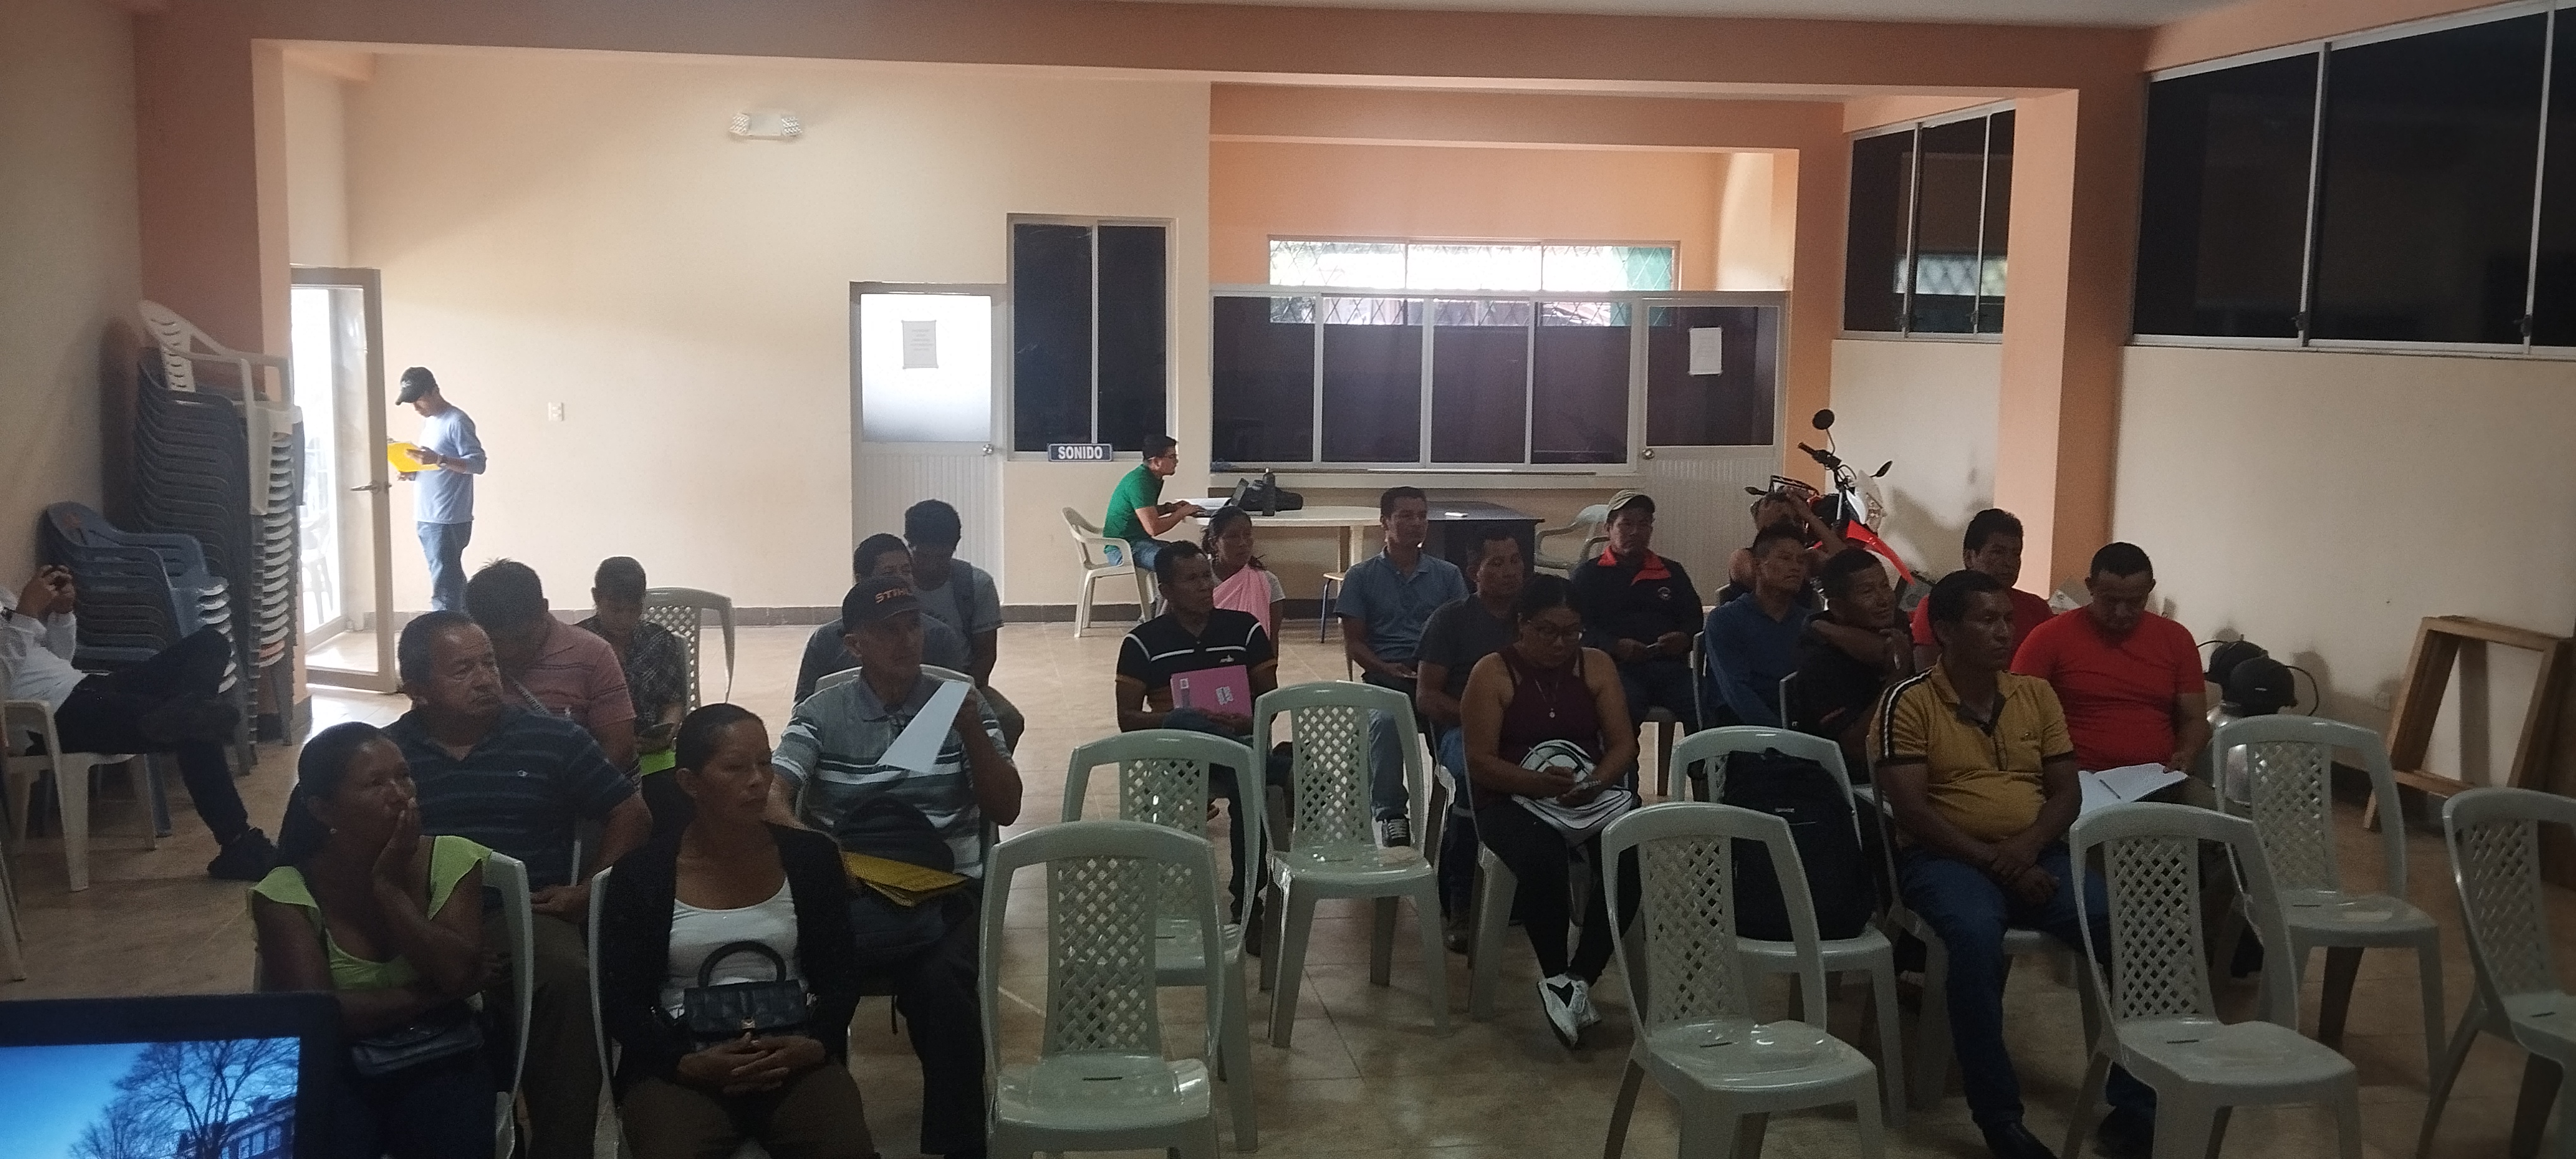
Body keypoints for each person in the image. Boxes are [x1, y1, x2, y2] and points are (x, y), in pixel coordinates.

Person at [1872, 570, 2154, 1159]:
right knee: (1975, 937)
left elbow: (2066, 793)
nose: (2005, 631)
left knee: (2131, 932)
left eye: (2007, 619)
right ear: (1945, 630)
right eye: (1987, 620)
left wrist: (2025, 850)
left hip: (2034, 852)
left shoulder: (2035, 696)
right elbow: (1913, 811)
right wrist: (1999, 862)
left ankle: (2136, 1106)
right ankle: (1999, 1117)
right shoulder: (1910, 701)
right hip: (1944, 858)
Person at [768, 576, 1022, 1159]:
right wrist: (822, 854)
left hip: (944, 889)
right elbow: (772, 800)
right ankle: (822, 1133)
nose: (907, 641)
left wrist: (971, 732)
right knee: (810, 984)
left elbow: (1006, 807)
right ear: (854, 644)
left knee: (944, 984)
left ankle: (960, 1145)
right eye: (888, 631)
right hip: (851, 888)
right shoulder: (823, 711)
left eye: (913, 627)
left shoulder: (959, 703)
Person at [384, 610, 653, 1159]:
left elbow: (632, 813)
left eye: (488, 663)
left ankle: (563, 1147)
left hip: (520, 914)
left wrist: (586, 889)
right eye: (463, 670)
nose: (485, 678)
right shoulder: (384, 757)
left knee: (567, 975)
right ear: (417, 689)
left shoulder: (552, 740)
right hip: (409, 914)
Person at [595, 705, 877, 1159]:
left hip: (792, 1054)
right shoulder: (643, 875)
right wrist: (684, 1062)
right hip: (683, 1063)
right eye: (735, 768)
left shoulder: (810, 859)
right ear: (690, 783)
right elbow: (620, 999)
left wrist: (813, 1045)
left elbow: (842, 974)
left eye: (765, 763)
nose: (758, 781)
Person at [252, 722, 496, 1159]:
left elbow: (456, 970)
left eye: (404, 776)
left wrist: (388, 889)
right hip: (338, 1066)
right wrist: (435, 995)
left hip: (440, 1054)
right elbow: (317, 1017)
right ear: (322, 810)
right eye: (375, 783)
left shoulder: (453, 857)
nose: (400, 795)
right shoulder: (286, 891)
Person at [1458, 574, 1640, 1050]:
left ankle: (1579, 979)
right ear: (1522, 624)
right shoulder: (1493, 672)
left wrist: (1596, 782)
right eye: (1547, 631)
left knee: (1633, 850)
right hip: (1509, 796)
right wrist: (1537, 784)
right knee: (1544, 856)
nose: (1561, 643)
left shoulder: (1595, 665)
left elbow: (1623, 745)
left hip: (1584, 792)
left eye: (1572, 632)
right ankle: (1555, 970)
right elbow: (1480, 761)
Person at [1, 565, 274, 879]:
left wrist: (62, 615)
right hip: (54, 716)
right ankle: (237, 842)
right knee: (194, 724)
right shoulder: (17, 608)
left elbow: (58, 660)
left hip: (90, 685)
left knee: (210, 643)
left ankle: (186, 709)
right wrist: (26, 613)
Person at [1112, 540, 1281, 911]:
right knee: (1187, 720)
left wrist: (1248, 718)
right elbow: (1127, 719)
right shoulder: (1143, 642)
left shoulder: (1244, 629)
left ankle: (1248, 896)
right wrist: (1177, 719)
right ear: (1167, 591)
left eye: (1207, 576)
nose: (1206, 586)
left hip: (1239, 740)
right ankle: (1278, 768)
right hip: (1178, 754)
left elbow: (1270, 702)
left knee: (1244, 779)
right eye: (1192, 579)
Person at [1412, 527, 1525, 947]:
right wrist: (1481, 717)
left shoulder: (1532, 618)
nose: (1510, 572)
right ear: (1473, 569)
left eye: (1515, 561)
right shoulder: (1451, 620)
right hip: (1462, 731)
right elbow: (1427, 696)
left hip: (1526, 729)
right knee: (1473, 778)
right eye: (1497, 563)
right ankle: (1460, 900)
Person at [1338, 485, 1469, 847]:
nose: (1416, 523)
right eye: (1405, 516)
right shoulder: (1361, 576)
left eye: (1422, 516)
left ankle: (1463, 806)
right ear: (1385, 522)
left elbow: (1461, 634)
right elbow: (1355, 644)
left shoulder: (1447, 575)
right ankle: (1392, 813)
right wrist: (1385, 667)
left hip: (1437, 675)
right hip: (1386, 675)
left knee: (1465, 721)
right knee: (1385, 721)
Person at [2012, 542, 2210, 776]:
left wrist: (2186, 754)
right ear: (2090, 587)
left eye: (2134, 602)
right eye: (2110, 601)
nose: (2121, 613)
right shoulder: (2049, 637)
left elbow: (2195, 720)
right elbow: (2015, 715)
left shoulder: (2177, 639)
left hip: (2158, 777)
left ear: (2150, 589)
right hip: (2075, 778)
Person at [467, 559, 637, 771]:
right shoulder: (463, 661)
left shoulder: (593, 654)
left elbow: (619, 746)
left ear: (544, 609)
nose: (510, 652)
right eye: (496, 641)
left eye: (522, 638)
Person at [1568, 490, 1702, 732]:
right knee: (1621, 708)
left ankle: (1705, 758)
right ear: (1608, 529)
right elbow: (1577, 630)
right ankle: (1623, 759)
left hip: (1669, 669)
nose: (1635, 532)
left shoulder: (1672, 572)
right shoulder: (1588, 576)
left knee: (1708, 701)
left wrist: (1683, 638)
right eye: (1626, 524)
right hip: (1614, 670)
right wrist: (1615, 646)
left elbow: (1694, 619)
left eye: (1643, 524)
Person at [903, 500, 1025, 749]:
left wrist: (952, 700)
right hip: (899, 684)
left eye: (942, 557)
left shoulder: (976, 585)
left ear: (955, 547)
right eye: (923, 556)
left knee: (1008, 720)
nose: (932, 566)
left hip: (958, 684)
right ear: (909, 544)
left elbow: (985, 656)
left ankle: (982, 772)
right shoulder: (893, 584)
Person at [796, 535, 974, 702]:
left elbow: (955, 701)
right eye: (888, 573)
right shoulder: (825, 640)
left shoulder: (939, 636)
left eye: (907, 571)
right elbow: (804, 705)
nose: (900, 580)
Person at [1792, 548, 1914, 774]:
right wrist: (1897, 677)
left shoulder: (1894, 622)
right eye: (1868, 592)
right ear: (1838, 608)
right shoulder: (1820, 662)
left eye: (1885, 586)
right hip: (1855, 776)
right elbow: (1856, 748)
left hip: (1906, 748)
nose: (1884, 600)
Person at [578, 557, 690, 768]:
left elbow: (673, 703)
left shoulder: (658, 640)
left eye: (633, 610)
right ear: (596, 597)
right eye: (616, 610)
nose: (624, 619)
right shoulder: (578, 642)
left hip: (652, 753)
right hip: (595, 755)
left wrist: (666, 731)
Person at [1701, 523, 1815, 731]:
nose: (1796, 567)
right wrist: (1782, 737)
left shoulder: (1810, 622)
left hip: (1798, 725)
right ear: (1757, 565)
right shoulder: (1726, 619)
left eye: (1801, 561)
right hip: (1740, 730)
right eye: (1785, 558)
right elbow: (1736, 692)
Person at [1910, 508, 2054, 670]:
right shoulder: (1938, 604)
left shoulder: (2037, 609)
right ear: (1969, 557)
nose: (2009, 562)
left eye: (2016, 554)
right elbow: (1927, 673)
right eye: (1998, 552)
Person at [396, 367, 487, 614]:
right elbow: (435, 465)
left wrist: (440, 459)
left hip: (448, 518)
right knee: (449, 578)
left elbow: (478, 464)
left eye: (419, 400)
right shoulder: (430, 422)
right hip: (427, 514)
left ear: (435, 391)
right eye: (411, 403)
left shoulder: (457, 421)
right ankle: (467, 623)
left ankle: (445, 627)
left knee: (445, 585)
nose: (416, 408)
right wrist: (413, 472)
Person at [1723, 486, 1847, 600]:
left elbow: (1849, 565)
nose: (1791, 525)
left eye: (1797, 519)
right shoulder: (1742, 558)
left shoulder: (1807, 558)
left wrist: (1809, 516)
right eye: (1783, 518)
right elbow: (1764, 580)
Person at [1101, 434, 1202, 571]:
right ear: (1156, 462)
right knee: (1177, 564)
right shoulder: (1140, 482)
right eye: (1172, 457)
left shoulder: (1149, 478)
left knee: (1191, 555)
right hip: (1123, 549)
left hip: (1139, 541)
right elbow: (1154, 528)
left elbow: (1143, 512)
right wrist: (1181, 513)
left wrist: (1170, 508)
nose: (1176, 461)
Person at [1203, 505, 1284, 638]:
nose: (1243, 543)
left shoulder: (1267, 582)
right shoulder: (1199, 580)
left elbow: (1271, 638)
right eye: (1233, 536)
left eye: (1247, 535)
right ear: (1214, 543)